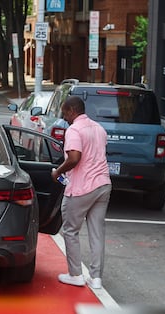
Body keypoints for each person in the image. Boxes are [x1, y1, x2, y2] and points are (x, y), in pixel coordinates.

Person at [51, 96, 112, 289]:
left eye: (64, 112)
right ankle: (96, 278)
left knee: (70, 231)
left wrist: (58, 171)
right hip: (103, 185)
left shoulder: (74, 130)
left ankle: (75, 274)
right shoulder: (99, 129)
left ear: (71, 110)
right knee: (97, 232)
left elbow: (75, 157)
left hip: (81, 187)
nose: (64, 117)